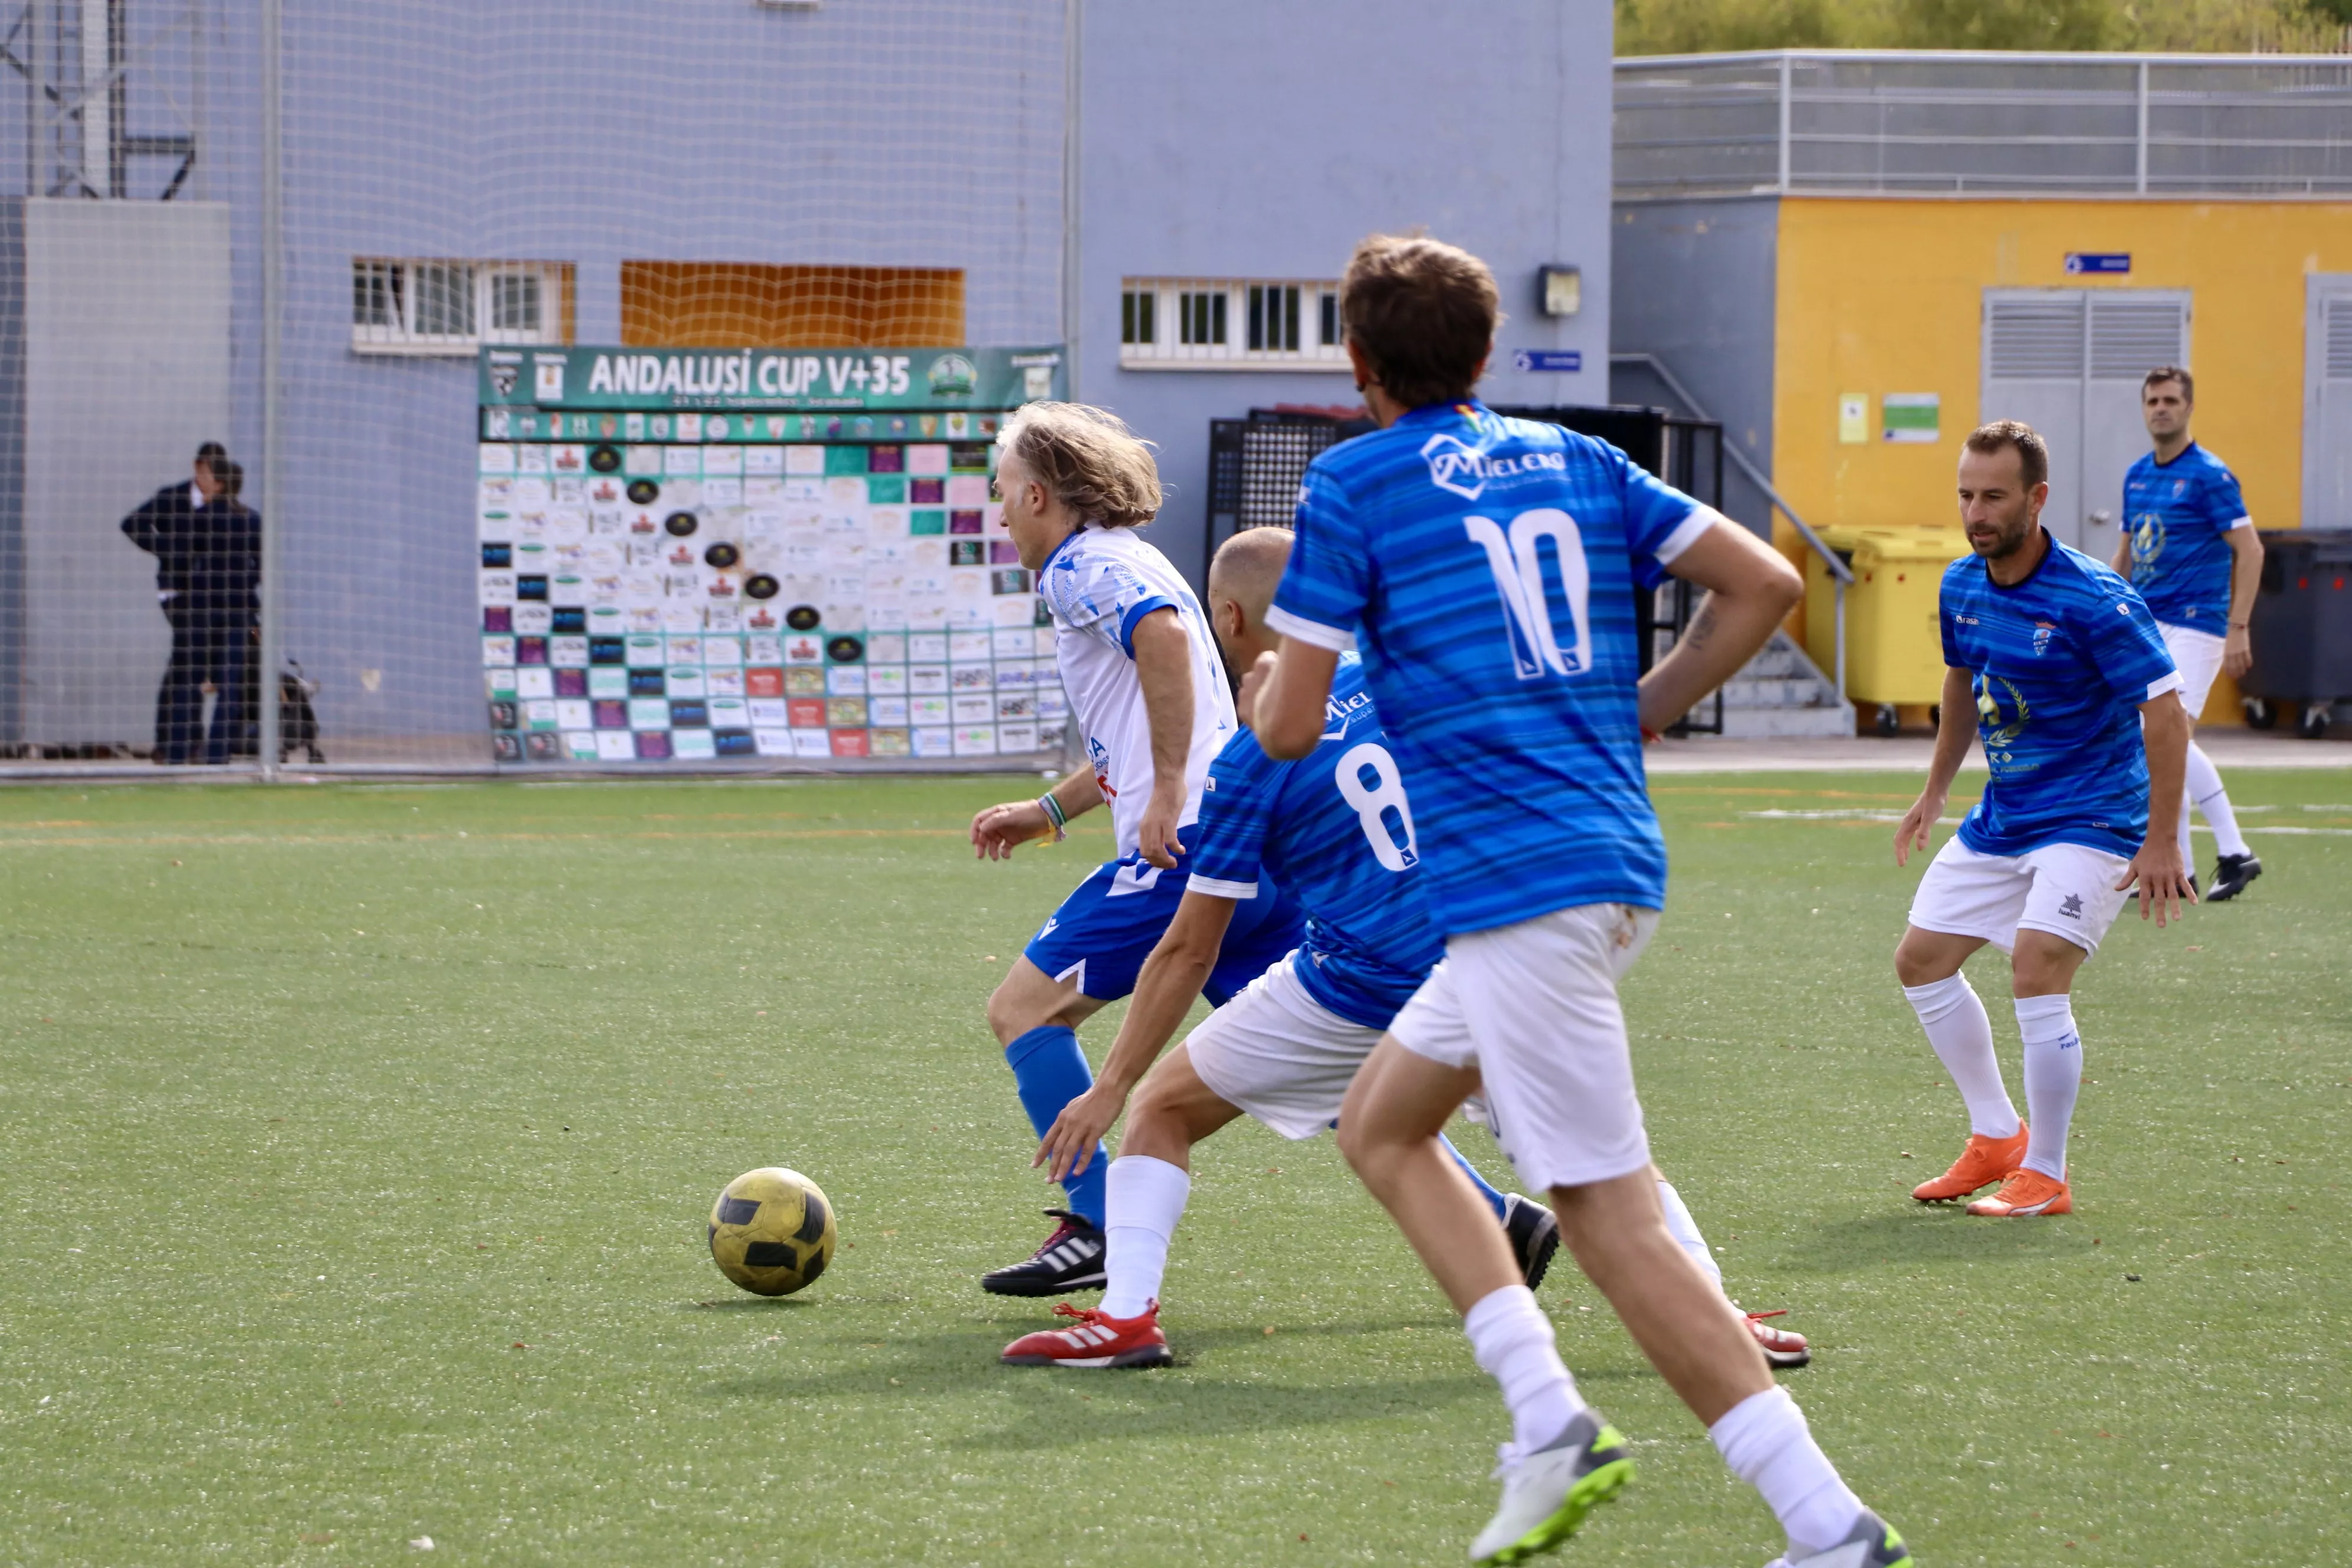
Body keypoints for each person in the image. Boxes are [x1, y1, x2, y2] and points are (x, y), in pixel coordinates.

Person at [1247, 234, 1905, 1568]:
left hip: (1519, 883)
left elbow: (1290, 725)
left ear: (1357, 364)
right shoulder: (1580, 457)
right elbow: (1767, 583)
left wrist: (1265, 685)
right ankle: (1547, 1420)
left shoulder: (1351, 482)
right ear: (1487, 356)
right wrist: (1637, 714)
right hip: (1593, 858)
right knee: (1382, 1124)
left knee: (1606, 1213)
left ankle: (1825, 1524)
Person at [999, 525, 1810, 1374]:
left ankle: (1128, 1318)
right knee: (1597, 1155)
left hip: (1354, 983)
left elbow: (1187, 951)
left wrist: (1113, 1088)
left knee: (1161, 1107)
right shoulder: (1427, 687)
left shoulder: (1251, 760)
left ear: (1229, 619)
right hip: (1495, 961)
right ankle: (1719, 1319)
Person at [966, 402, 1304, 1298]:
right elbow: (1153, 706)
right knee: (1322, 1046)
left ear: (1038, 494)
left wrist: (1161, 796)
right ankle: (1501, 1217)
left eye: (1001, 492)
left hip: (1184, 847)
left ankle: (1095, 1224)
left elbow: (1157, 640)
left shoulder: (1078, 567)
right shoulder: (1135, 558)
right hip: (1247, 843)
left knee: (1023, 1012)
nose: (998, 511)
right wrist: (1054, 807)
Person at [1896, 420, 2193, 1223]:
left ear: (2038, 498)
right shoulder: (1961, 583)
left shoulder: (2095, 596)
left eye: (1994, 496)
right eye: (1966, 494)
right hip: (2009, 812)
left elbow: (2165, 715)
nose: (1976, 511)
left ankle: (2048, 1175)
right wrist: (1935, 789)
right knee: (1920, 961)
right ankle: (1996, 1137)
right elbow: (1962, 687)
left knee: (2036, 968)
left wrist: (2162, 838)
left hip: (2095, 815)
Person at [2110, 366, 2264, 901]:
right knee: (2159, 740)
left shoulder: (2210, 475)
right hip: (2150, 625)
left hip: (2198, 623)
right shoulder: (2136, 475)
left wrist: (2238, 627)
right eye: (2153, 399)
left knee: (2169, 734)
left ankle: (2236, 851)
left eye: (2171, 399)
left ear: (2189, 407)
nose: (2161, 408)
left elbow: (2251, 549)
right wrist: (2104, 609)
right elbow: (2127, 554)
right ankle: (2184, 873)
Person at [120, 442, 228, 763]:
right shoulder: (172, 498)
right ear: (198, 469)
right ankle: (186, 740)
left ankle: (172, 740)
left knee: (184, 665)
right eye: (209, 474)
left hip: (206, 594)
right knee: (190, 661)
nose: (213, 482)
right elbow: (132, 524)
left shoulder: (220, 503)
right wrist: (167, 549)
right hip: (177, 593)